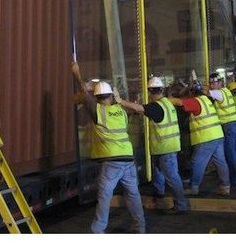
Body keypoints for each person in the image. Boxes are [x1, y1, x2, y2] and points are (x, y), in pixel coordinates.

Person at [71, 63, 145, 234]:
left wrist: (77, 73)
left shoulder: (98, 111)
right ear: (111, 96)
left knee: (104, 197)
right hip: (128, 158)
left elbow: (83, 93)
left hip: (112, 161)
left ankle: (98, 230)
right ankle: (140, 227)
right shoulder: (121, 111)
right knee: (133, 194)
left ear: (97, 98)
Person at [113, 76, 189, 215]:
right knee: (160, 175)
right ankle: (158, 198)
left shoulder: (156, 107)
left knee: (172, 177)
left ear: (149, 91)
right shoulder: (167, 103)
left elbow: (139, 108)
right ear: (161, 90)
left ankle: (181, 205)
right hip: (166, 147)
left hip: (165, 148)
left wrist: (120, 101)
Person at [168, 75, 230, 196]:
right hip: (217, 135)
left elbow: (179, 102)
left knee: (197, 162)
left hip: (206, 138)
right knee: (220, 162)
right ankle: (225, 186)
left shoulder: (195, 102)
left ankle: (194, 186)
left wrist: (165, 100)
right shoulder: (206, 99)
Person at [207, 73, 236, 188]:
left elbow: (207, 93)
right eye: (211, 83)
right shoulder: (227, 92)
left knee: (230, 154)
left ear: (219, 83)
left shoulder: (219, 93)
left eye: (214, 83)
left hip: (228, 126)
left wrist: (198, 87)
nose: (212, 85)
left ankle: (234, 180)